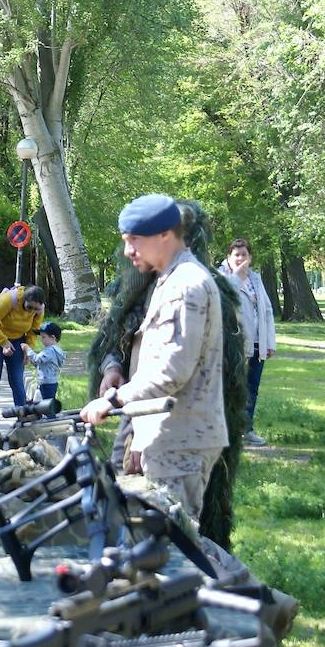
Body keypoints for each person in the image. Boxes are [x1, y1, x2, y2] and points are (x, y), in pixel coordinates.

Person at [80, 194, 228, 519]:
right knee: (149, 546)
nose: (128, 250)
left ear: (165, 234)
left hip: (181, 439)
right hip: (166, 433)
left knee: (170, 551)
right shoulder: (169, 279)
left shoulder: (186, 285)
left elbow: (173, 370)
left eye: (135, 239)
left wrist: (114, 400)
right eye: (125, 240)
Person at [219, 238, 275, 447]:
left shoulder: (256, 279)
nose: (241, 259)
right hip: (233, 345)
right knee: (232, 388)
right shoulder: (221, 278)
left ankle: (247, 429)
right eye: (237, 255)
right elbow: (222, 304)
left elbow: (267, 311)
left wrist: (269, 343)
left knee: (252, 387)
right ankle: (227, 431)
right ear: (229, 257)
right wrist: (236, 278)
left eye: (244, 255)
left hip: (257, 343)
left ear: (250, 258)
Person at [0, 283, 45, 423]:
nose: (31, 311)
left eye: (35, 309)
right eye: (29, 307)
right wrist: (3, 342)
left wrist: (28, 349)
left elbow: (33, 331)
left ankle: (22, 420)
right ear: (23, 301)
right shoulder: (10, 299)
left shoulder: (38, 309)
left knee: (16, 381)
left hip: (17, 341)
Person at [25, 321, 65, 400]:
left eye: (43, 337)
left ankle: (49, 412)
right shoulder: (56, 350)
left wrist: (27, 349)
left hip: (46, 382)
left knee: (47, 404)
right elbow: (40, 363)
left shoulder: (49, 350)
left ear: (53, 338)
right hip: (51, 381)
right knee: (48, 402)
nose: (41, 340)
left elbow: (37, 359)